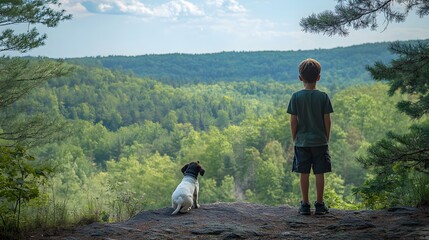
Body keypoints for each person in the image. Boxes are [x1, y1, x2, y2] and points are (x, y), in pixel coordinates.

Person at [287, 58, 333, 215]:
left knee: (304, 173)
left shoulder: (296, 97)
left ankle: (305, 205)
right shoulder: (323, 97)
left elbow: (293, 122)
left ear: (300, 78)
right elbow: (327, 120)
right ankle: (320, 205)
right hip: (320, 141)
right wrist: (326, 137)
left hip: (302, 142)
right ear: (318, 77)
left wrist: (295, 138)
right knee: (320, 173)